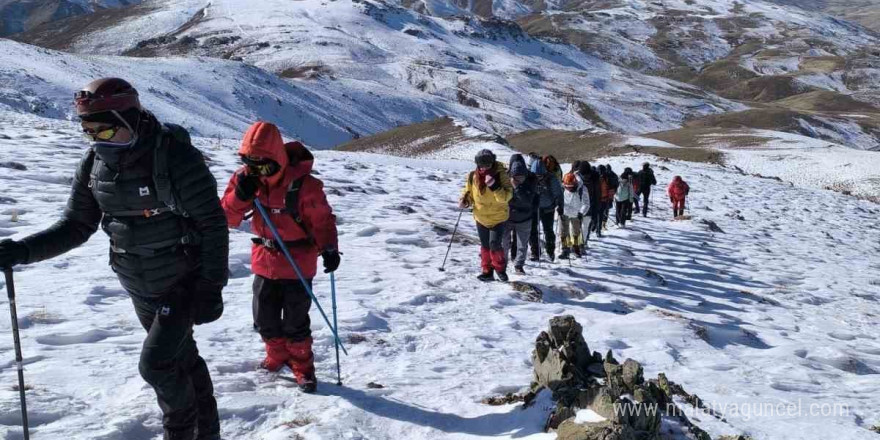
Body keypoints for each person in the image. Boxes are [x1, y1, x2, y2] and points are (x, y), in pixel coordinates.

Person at [0, 78, 228, 440]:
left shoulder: (174, 159)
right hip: (138, 282)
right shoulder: (94, 165)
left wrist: (211, 287)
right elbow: (76, 225)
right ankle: (209, 433)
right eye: (89, 130)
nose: (96, 139)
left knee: (157, 365)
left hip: (182, 280)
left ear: (131, 119)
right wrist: (23, 250)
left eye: (105, 129)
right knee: (182, 357)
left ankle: (181, 433)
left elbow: (213, 224)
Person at [221, 121, 340, 393]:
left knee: (296, 322)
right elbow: (227, 217)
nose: (257, 173)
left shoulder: (305, 186)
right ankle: (277, 356)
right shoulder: (245, 179)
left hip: (298, 264)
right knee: (264, 318)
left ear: (277, 159)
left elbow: (322, 221)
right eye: (251, 165)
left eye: (263, 166)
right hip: (264, 261)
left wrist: (329, 249)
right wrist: (240, 196)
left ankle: (303, 367)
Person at [460, 149, 513, 282]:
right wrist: (465, 201)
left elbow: (507, 197)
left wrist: (495, 186)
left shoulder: (501, 175)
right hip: (481, 217)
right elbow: (469, 193)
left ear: (493, 162)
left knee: (494, 244)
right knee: (485, 245)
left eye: (487, 165)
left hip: (498, 217)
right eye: (481, 165)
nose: (484, 168)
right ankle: (487, 271)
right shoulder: (473, 176)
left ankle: (500, 270)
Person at [503, 154, 537, 275]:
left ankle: (518, 265)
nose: (519, 179)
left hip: (523, 217)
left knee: (520, 244)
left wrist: (516, 187)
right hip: (509, 216)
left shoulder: (531, 179)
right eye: (516, 177)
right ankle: (504, 265)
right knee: (505, 243)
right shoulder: (504, 177)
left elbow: (527, 200)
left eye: (521, 177)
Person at [528, 158, 563, 262]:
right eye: (536, 175)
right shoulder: (529, 178)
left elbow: (558, 193)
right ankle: (535, 251)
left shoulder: (551, 179)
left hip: (548, 208)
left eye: (540, 175)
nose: (538, 177)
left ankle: (550, 251)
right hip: (534, 208)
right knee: (532, 230)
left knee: (548, 230)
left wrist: (560, 206)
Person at [559, 172, 589, 259]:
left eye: (571, 187)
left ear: (575, 183)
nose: (569, 189)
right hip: (564, 212)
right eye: (567, 187)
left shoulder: (582, 189)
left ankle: (576, 248)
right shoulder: (562, 188)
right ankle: (565, 249)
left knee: (576, 232)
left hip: (576, 213)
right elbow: (558, 198)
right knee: (563, 232)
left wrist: (581, 212)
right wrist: (559, 207)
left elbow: (586, 203)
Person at [576, 161, 601, 242]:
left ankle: (583, 243)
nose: (586, 177)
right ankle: (577, 244)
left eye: (587, 175)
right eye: (584, 175)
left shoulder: (595, 179)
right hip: (577, 207)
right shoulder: (575, 178)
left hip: (590, 207)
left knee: (585, 226)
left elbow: (597, 196)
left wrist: (595, 211)